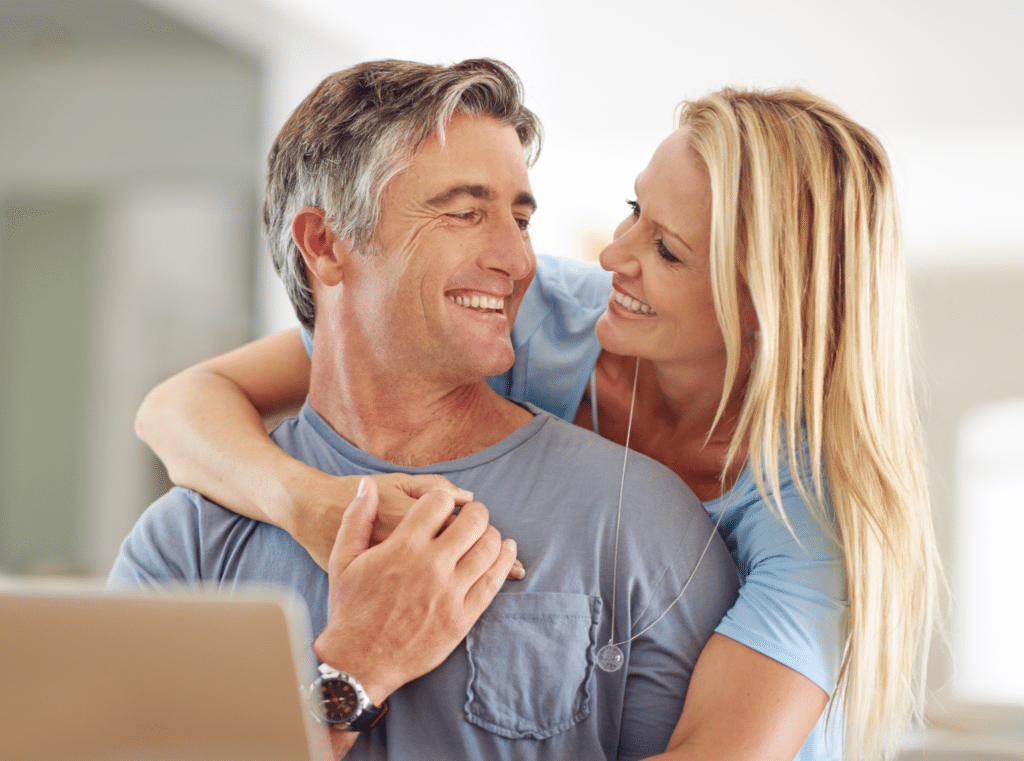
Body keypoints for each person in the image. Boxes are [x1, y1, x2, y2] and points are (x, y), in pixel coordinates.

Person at [135, 74, 941, 759]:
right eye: (634, 210)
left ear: (761, 308)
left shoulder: (806, 521)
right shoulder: (538, 312)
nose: (613, 255)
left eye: (667, 250)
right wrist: (315, 506)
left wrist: (353, 676)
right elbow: (178, 408)